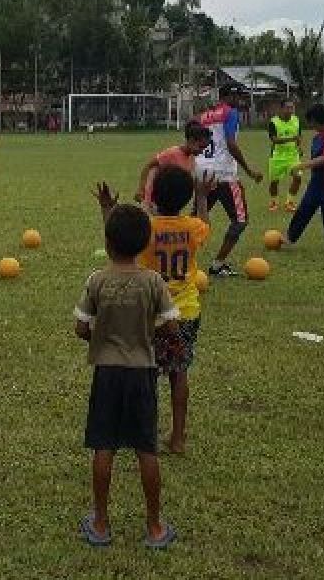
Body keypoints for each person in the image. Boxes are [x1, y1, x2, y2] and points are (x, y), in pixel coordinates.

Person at [74, 201, 179, 549]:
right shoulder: (153, 281)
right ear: (146, 243)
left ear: (107, 242)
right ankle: (154, 527)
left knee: (103, 446)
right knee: (146, 448)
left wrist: (99, 336)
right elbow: (172, 324)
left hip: (107, 372)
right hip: (142, 374)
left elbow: (80, 328)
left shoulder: (97, 280)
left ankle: (101, 523)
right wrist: (150, 336)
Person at [96, 167, 209, 455]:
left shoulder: (147, 227)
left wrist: (108, 209)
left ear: (154, 195)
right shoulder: (193, 227)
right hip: (186, 311)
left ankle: (143, 432)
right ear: (186, 198)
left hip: (151, 315)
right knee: (179, 372)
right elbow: (204, 222)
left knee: (147, 373)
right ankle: (178, 437)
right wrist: (203, 197)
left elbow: (121, 240)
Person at [191, 84, 263, 278]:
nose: (239, 99)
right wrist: (249, 170)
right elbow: (231, 144)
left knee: (194, 220)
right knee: (240, 220)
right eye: (236, 95)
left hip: (201, 172)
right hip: (223, 174)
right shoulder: (230, 113)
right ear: (226, 96)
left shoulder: (203, 116)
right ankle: (217, 264)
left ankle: (181, 259)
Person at [283, 105, 324, 253]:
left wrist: (301, 166)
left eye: (311, 121)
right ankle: (290, 238)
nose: (310, 125)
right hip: (317, 182)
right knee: (304, 209)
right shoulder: (317, 138)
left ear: (318, 120)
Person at [134, 121, 211, 210]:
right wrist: (141, 189)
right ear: (191, 141)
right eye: (201, 147)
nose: (202, 151)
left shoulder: (192, 158)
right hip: (156, 200)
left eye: (204, 148)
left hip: (171, 202)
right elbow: (148, 166)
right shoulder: (171, 153)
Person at [266, 99, 303, 213]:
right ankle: (273, 202)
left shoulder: (296, 120)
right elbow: (274, 140)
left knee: (298, 177)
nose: (290, 110)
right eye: (287, 108)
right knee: (274, 181)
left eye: (292, 108)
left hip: (293, 155)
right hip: (277, 156)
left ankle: (290, 202)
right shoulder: (273, 122)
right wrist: (291, 139)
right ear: (281, 109)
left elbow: (299, 137)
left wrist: (299, 147)